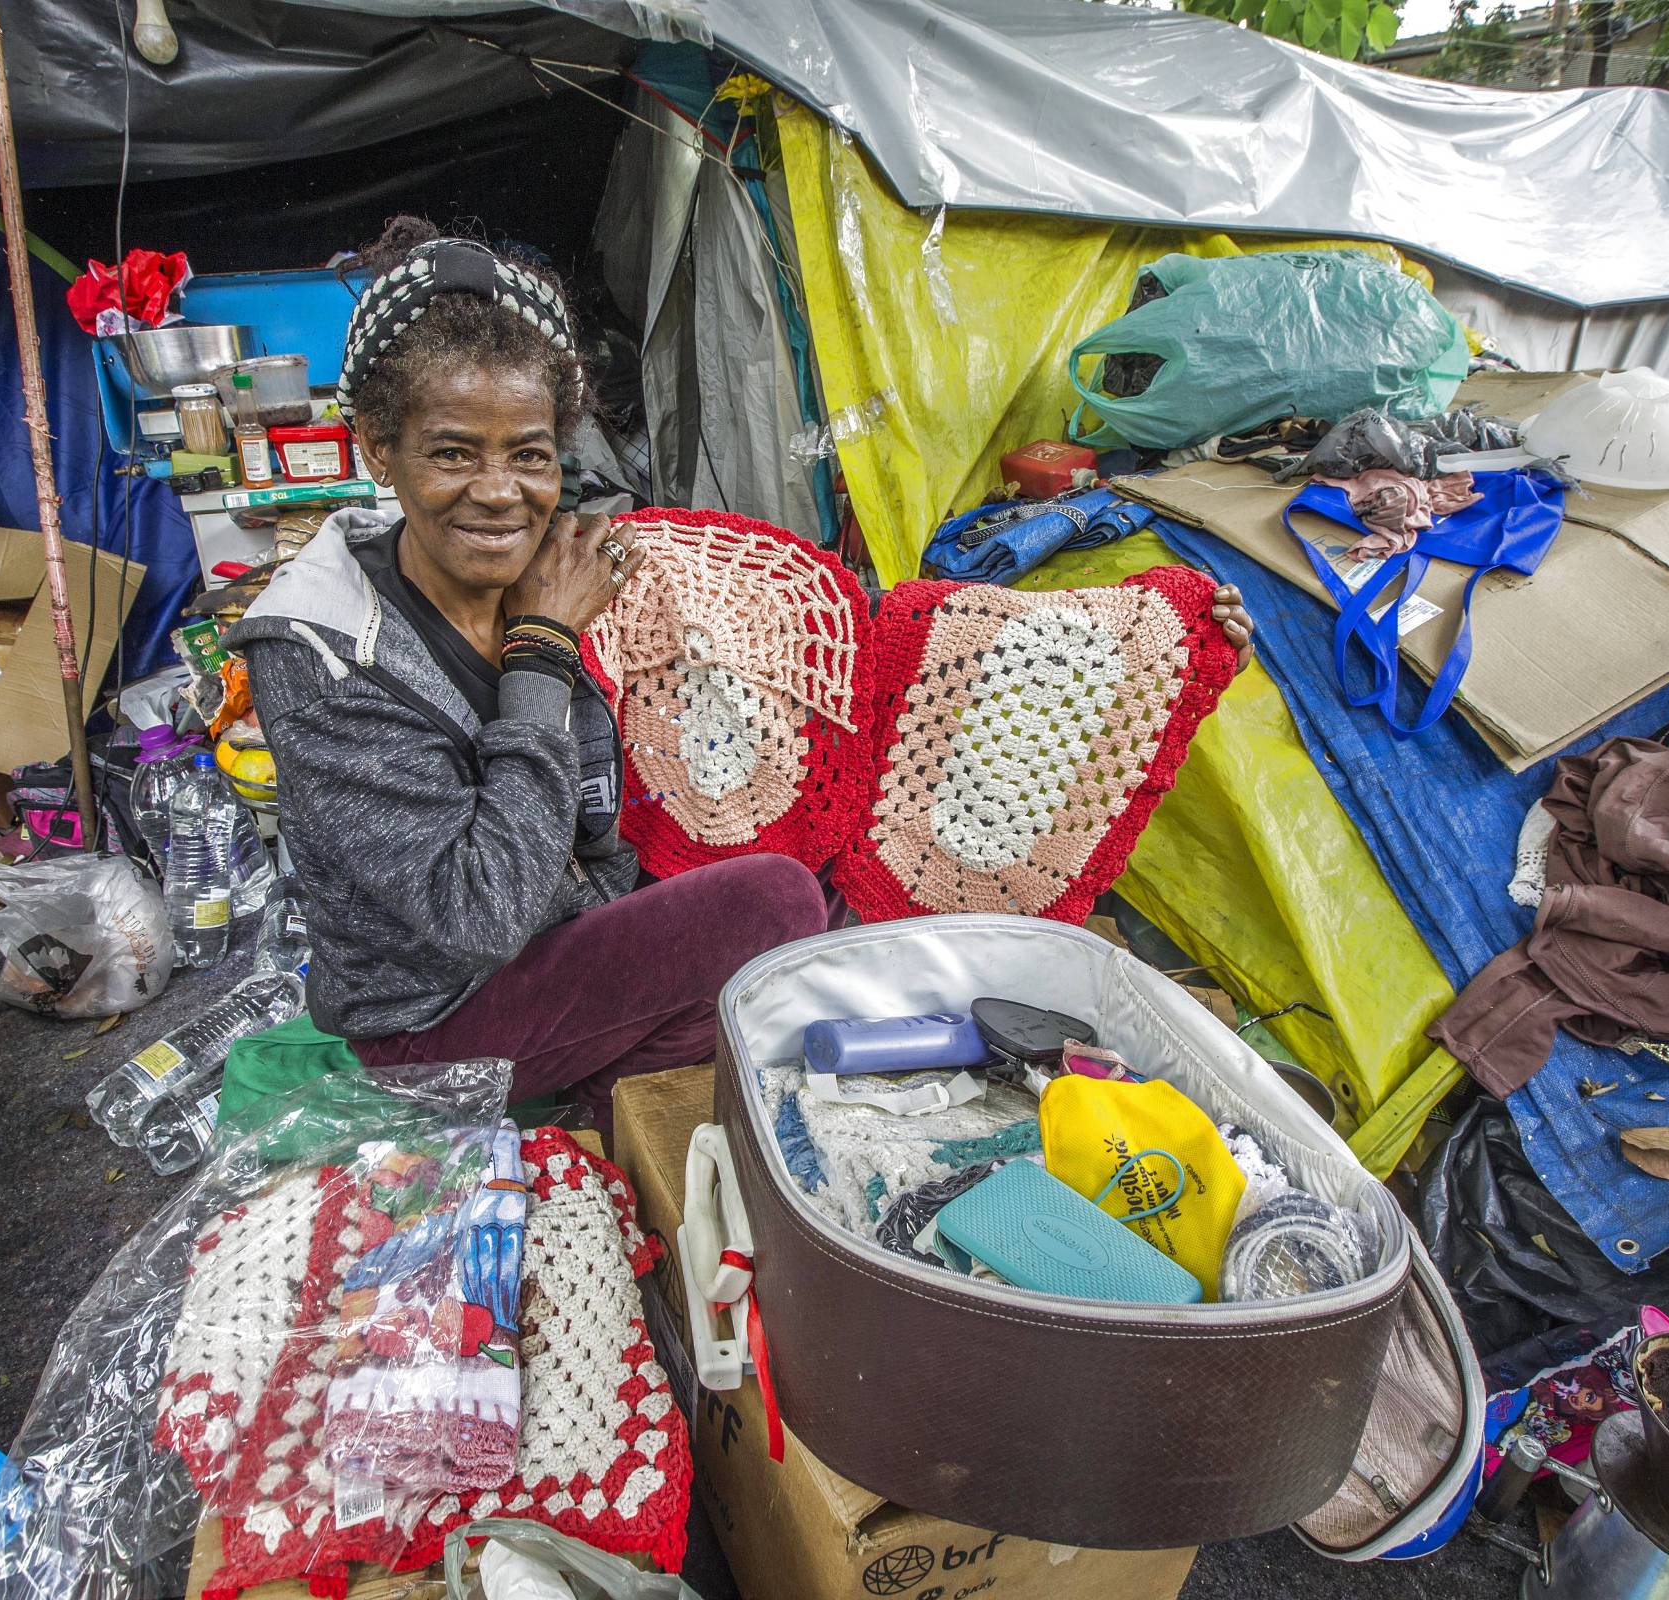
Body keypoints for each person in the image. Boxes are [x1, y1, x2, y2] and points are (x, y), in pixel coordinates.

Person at [232, 219, 1256, 1123]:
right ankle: (619, 1090)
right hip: (440, 1027)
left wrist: (1126, 635)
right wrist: (543, 645)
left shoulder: (574, 564)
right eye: (454, 453)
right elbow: (480, 914)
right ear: (379, 448)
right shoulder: (326, 649)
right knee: (773, 912)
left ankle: (672, 1047)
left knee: (801, 850)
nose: (500, 494)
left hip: (568, 933)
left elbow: (847, 640)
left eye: (530, 455)